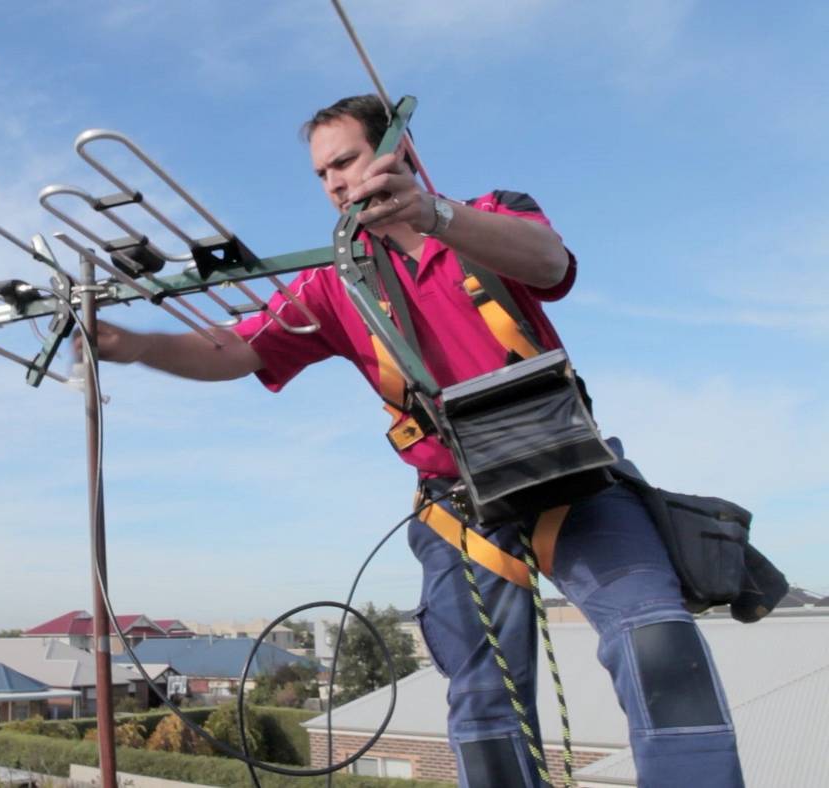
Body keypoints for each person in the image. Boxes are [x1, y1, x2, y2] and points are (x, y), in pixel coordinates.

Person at [86, 95, 744, 787]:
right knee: (485, 699)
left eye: (346, 160)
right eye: (321, 173)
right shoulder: (333, 279)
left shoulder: (491, 214)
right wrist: (134, 346)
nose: (335, 182)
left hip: (568, 477)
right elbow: (233, 350)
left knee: (656, 638)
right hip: (460, 505)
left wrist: (431, 216)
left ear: (399, 151)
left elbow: (550, 264)